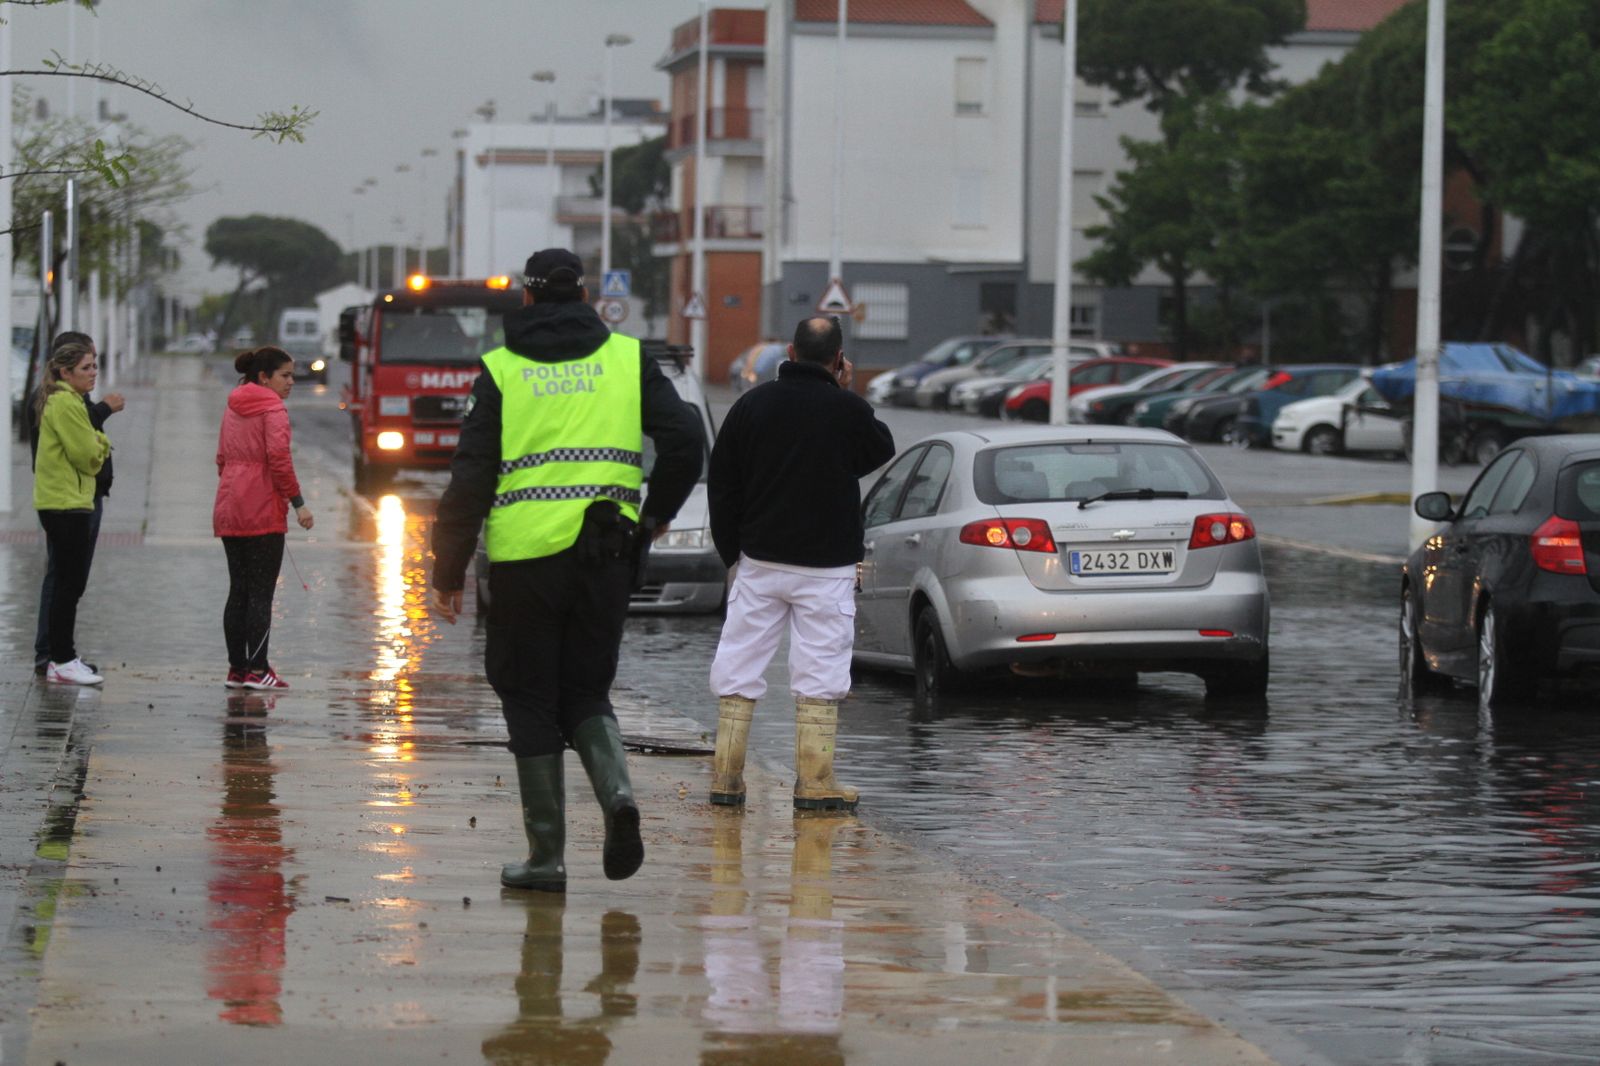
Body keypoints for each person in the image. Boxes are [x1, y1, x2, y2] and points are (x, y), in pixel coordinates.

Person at [432, 247, 702, 893]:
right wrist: (654, 516)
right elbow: (687, 438)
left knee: (527, 695)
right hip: (607, 554)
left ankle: (546, 858)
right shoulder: (627, 358)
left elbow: (470, 477)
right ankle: (616, 799)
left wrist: (446, 570)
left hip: (527, 559)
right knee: (585, 691)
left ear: (526, 298)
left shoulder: (501, 370)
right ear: (584, 295)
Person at [706, 316, 895, 812]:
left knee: (739, 664)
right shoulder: (847, 408)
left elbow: (722, 485)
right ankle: (814, 783)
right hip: (826, 567)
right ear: (838, 359)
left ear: (788, 352)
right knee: (820, 671)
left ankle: (726, 779)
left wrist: (735, 554)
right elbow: (879, 448)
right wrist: (844, 391)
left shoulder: (750, 406)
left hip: (761, 560)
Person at [213, 346, 314, 691]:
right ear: (263, 377)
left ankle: (237, 670)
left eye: (292, 375)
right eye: (285, 375)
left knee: (238, 589)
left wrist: (234, 487)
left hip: (230, 506)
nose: (291, 382)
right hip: (262, 510)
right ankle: (259, 670)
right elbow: (279, 459)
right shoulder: (274, 410)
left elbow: (222, 457)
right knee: (260, 593)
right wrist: (298, 502)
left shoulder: (233, 405)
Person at [31, 331, 123, 676]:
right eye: (86, 366)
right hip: (66, 503)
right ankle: (59, 658)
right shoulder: (66, 403)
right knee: (66, 582)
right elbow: (87, 454)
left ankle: (61, 656)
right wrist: (100, 440)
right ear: (65, 371)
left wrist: (93, 439)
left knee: (70, 581)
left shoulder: (64, 400)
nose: (94, 372)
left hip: (72, 500)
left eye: (95, 365)